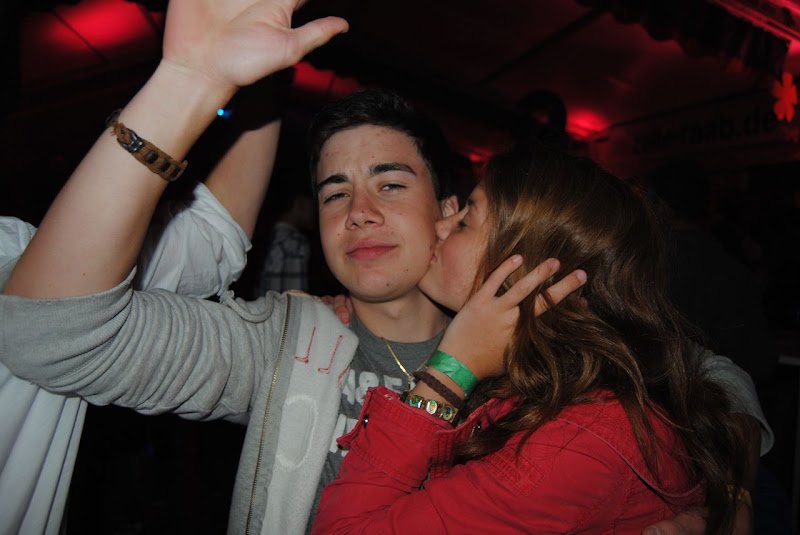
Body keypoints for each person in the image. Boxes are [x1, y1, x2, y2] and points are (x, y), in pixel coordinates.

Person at [0, 2, 768, 534]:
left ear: (449, 211)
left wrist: (729, 487)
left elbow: (701, 372)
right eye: (335, 192)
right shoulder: (282, 344)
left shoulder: (533, 335)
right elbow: (48, 335)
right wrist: (189, 80)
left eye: (391, 184)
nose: (359, 211)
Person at [312, 141, 749, 534]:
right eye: (333, 195)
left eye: (465, 221)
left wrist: (449, 372)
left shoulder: (570, 445)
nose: (441, 228)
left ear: (530, 268)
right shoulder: (544, 381)